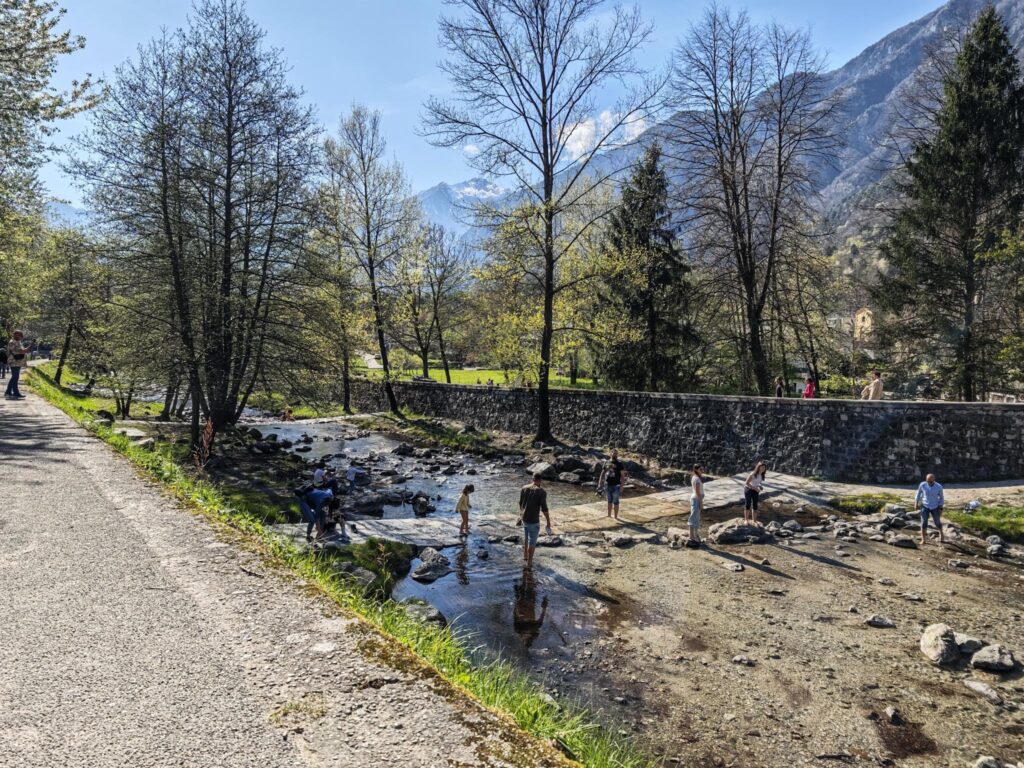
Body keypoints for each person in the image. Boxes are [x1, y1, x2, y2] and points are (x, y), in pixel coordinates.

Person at [518, 472, 552, 567]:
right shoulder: (541, 492)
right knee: (532, 541)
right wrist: (548, 522)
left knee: (526, 537)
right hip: (533, 520)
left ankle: (525, 556)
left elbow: (520, 503)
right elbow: (544, 509)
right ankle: (529, 563)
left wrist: (521, 515)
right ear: (541, 480)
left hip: (524, 519)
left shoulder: (524, 488)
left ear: (532, 479)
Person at [915, 473, 945, 545]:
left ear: (934, 480)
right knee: (923, 522)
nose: (929, 483)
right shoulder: (922, 485)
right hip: (924, 505)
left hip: (935, 506)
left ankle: (941, 533)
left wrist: (940, 508)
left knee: (937, 522)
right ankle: (923, 539)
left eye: (931, 481)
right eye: (928, 481)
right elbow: (918, 494)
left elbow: (941, 498)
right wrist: (916, 503)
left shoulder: (939, 486)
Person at [598, 449, 628, 521]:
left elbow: (623, 476)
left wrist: (622, 486)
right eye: (613, 453)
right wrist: (599, 483)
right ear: (610, 454)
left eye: (616, 453)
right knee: (609, 501)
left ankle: (616, 517)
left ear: (617, 455)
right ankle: (609, 515)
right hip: (607, 485)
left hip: (616, 485)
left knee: (616, 501)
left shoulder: (620, 464)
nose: (614, 454)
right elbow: (602, 473)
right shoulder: (606, 462)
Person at [5, 331, 32, 400]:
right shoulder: (13, 342)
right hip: (14, 362)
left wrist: (26, 349)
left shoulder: (17, 342)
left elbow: (22, 350)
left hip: (18, 362)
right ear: (16, 335)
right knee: (15, 377)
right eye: (20, 336)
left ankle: (9, 392)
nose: (21, 337)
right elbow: (20, 351)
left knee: (15, 377)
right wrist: (27, 348)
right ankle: (14, 392)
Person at [688, 464, 704, 547]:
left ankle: (695, 535)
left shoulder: (694, 477)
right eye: (701, 469)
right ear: (696, 470)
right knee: (694, 517)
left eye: (702, 469)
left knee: (696, 517)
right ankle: (691, 537)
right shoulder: (697, 479)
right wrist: (701, 502)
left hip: (695, 499)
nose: (702, 470)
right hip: (697, 499)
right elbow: (697, 492)